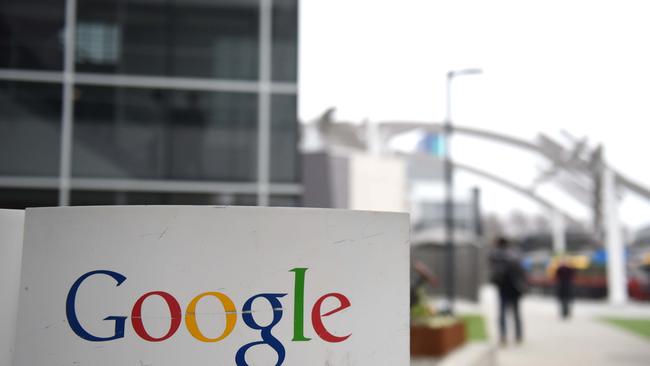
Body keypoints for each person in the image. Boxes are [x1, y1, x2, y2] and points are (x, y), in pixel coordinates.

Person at [489, 237, 527, 346]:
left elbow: (494, 272)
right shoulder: (516, 254)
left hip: (504, 289)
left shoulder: (497, 255)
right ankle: (518, 335)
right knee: (516, 313)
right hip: (516, 288)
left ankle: (503, 336)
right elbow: (522, 272)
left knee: (502, 314)